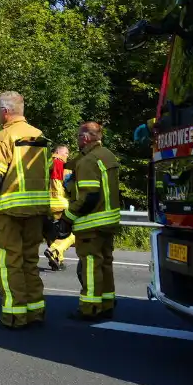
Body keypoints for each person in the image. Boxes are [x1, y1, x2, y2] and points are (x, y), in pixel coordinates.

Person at [0, 91, 52, 330]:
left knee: (9, 265)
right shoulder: (39, 136)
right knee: (30, 261)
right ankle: (35, 311)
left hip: (8, 213)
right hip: (37, 211)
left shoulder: (2, 138)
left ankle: (13, 316)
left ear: (5, 112)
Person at [58, 122, 122, 320]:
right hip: (109, 221)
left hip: (91, 223)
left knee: (91, 265)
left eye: (78, 136)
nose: (77, 140)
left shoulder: (88, 161)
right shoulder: (107, 155)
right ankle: (107, 303)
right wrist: (60, 162)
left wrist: (67, 218)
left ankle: (90, 308)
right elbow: (76, 164)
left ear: (86, 138)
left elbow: (89, 197)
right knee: (105, 263)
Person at [44, 145, 76, 271]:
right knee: (73, 233)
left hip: (46, 205)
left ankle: (58, 260)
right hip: (61, 204)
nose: (67, 156)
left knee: (53, 234)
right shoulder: (64, 167)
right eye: (66, 153)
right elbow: (70, 188)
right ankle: (54, 250)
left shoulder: (44, 165)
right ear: (58, 152)